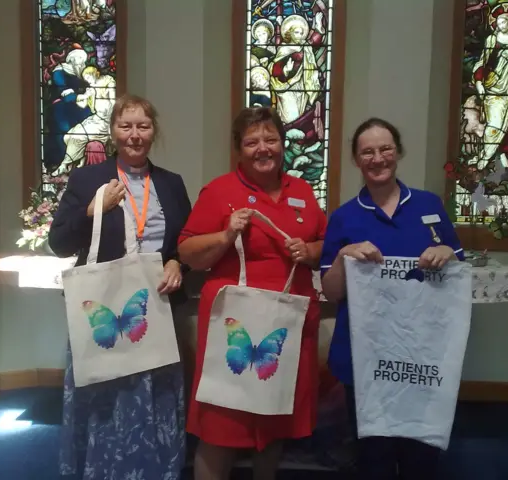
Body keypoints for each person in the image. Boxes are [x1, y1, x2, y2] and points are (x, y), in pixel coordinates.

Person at [177, 107, 327, 480]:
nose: (263, 148)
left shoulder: (303, 191)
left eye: (271, 139)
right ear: (238, 149)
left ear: (282, 144)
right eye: (252, 141)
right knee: (221, 424)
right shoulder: (220, 191)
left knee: (275, 417)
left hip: (286, 327)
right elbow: (188, 253)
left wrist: (310, 252)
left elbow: (328, 242)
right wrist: (227, 235)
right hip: (236, 327)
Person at [49, 93, 191, 480]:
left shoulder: (171, 184)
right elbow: (59, 242)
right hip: (105, 311)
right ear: (112, 131)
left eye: (143, 126)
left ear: (153, 131)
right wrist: (92, 210)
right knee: (105, 400)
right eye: (125, 126)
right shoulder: (87, 179)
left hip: (153, 311)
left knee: (154, 401)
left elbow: (186, 242)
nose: (134, 135)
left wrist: (179, 261)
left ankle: (154, 470)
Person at [320, 118, 465, 480]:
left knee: (421, 453)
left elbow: (459, 272)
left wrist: (447, 250)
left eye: (385, 149)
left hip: (421, 354)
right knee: (374, 455)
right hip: (366, 356)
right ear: (357, 160)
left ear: (398, 152)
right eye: (367, 151)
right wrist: (343, 256)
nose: (378, 158)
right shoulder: (344, 218)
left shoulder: (429, 206)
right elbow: (331, 291)